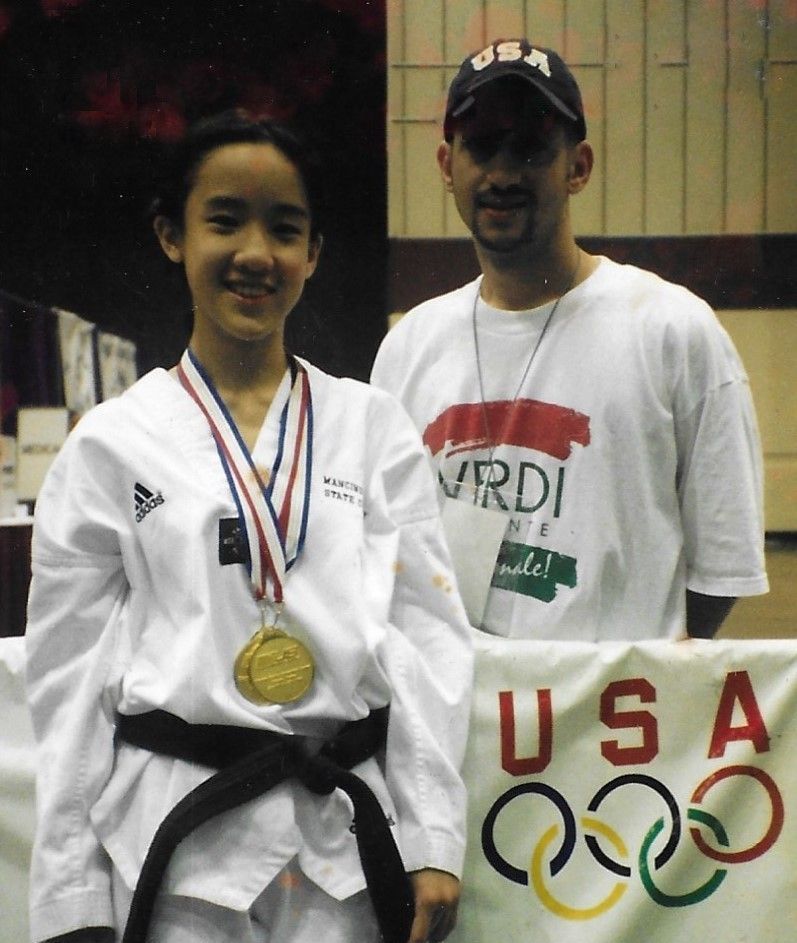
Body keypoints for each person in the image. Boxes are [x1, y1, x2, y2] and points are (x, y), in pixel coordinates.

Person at [25, 110, 473, 943]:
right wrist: (70, 889)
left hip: (344, 842)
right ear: (172, 234)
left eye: (285, 227)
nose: (256, 253)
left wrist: (433, 831)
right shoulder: (111, 445)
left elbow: (423, 641)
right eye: (224, 220)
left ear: (314, 253)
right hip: (179, 846)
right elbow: (67, 680)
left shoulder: (371, 427)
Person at [371, 38, 768, 642]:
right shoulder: (409, 347)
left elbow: (722, 569)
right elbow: (386, 558)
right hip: (457, 721)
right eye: (481, 147)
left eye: (529, 148)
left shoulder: (671, 331)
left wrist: (613, 676)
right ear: (448, 166)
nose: (502, 173)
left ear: (577, 167)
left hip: (604, 724)